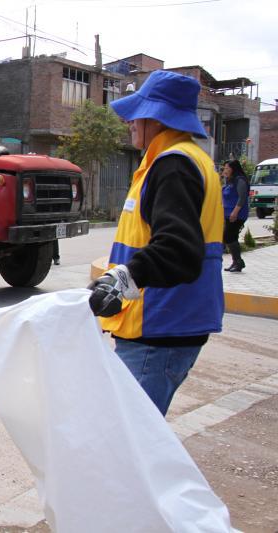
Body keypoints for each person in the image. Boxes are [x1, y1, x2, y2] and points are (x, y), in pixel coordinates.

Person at [87, 70, 224, 416]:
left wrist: (121, 280)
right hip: (163, 326)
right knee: (133, 434)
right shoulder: (182, 159)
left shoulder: (174, 164)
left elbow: (178, 249)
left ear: (158, 118)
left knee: (128, 438)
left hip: (160, 329)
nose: (130, 122)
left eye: (137, 114)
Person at [221, 159, 249, 272]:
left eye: (227, 168)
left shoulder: (240, 180)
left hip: (237, 214)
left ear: (233, 168)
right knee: (231, 237)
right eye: (224, 168)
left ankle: (238, 262)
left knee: (228, 236)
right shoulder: (229, 181)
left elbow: (242, 198)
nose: (225, 170)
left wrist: (235, 212)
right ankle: (236, 262)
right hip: (228, 214)